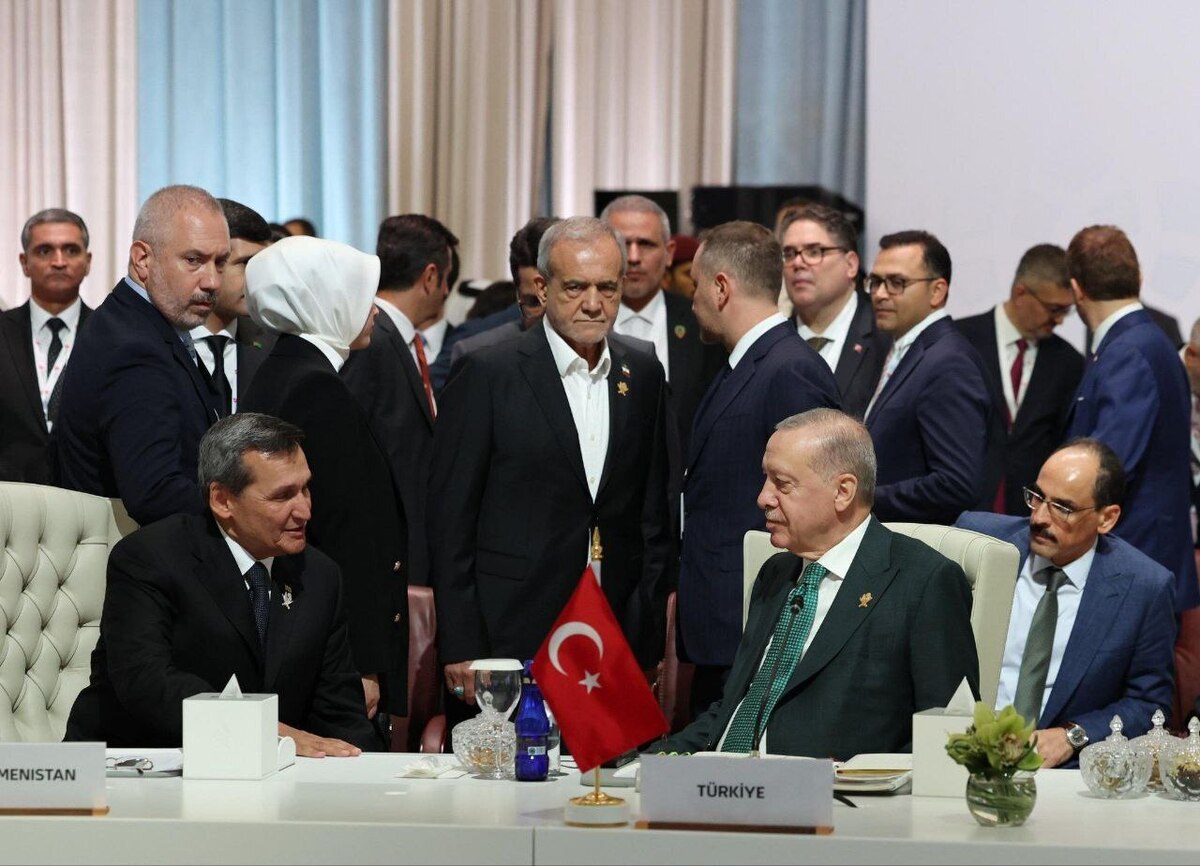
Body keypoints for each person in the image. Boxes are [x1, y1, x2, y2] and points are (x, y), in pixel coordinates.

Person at [428, 216, 671, 724]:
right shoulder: (488, 370)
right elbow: (452, 519)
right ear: (542, 287)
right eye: (576, 287)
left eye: (608, 288)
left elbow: (652, 515)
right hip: (511, 630)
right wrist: (463, 643)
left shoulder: (643, 371)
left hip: (612, 632)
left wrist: (646, 636)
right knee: (510, 774)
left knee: (611, 772)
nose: (594, 303)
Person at [654, 408, 978, 758]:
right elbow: (736, 705)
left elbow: (947, 738)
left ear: (843, 491)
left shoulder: (923, 583)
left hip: (831, 788)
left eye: (782, 484)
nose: (763, 498)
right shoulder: (775, 572)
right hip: (721, 780)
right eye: (766, 479)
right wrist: (652, 763)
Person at [65, 413, 376, 755]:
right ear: (223, 500)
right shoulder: (150, 558)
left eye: (305, 489)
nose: (304, 510)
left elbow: (340, 713)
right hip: (137, 763)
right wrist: (263, 731)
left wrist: (362, 767)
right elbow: (147, 682)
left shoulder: (318, 575)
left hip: (270, 773)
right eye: (282, 496)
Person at [241, 236, 408, 731]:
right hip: (333, 647)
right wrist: (364, 662)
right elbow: (343, 529)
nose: (373, 309)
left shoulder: (286, 368)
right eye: (360, 293)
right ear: (325, 298)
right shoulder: (313, 384)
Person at [678, 220, 842, 716]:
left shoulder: (790, 369)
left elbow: (819, 504)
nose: (692, 301)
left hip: (758, 621)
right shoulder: (743, 363)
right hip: (725, 619)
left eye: (695, 286)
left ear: (721, 287)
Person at [956, 439, 1176, 768]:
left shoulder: (1144, 587)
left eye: (1063, 508)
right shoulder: (978, 541)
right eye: (1037, 497)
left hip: (1059, 770)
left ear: (1107, 518)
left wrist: (1072, 736)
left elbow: (1149, 704)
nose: (1039, 518)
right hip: (958, 747)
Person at [55, 185, 227, 525]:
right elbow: (155, 491)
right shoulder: (134, 347)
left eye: (220, 262)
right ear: (142, 260)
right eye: (193, 260)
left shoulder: (134, 323)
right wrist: (248, 510)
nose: (212, 281)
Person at [1064, 225, 1198, 611]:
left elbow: (1106, 469)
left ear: (1076, 289)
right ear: (1138, 278)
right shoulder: (1147, 342)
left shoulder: (1128, 352)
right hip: (1142, 560)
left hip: (1129, 565)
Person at [342, 214, 458, 589]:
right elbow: (352, 448)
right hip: (381, 554)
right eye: (446, 279)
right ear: (430, 277)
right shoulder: (370, 339)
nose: (446, 291)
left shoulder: (393, 337)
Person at [863, 230, 998, 524]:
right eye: (875, 282)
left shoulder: (948, 362)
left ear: (937, 291)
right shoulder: (905, 348)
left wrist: (864, 498)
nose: (880, 294)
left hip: (921, 541)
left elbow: (955, 483)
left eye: (897, 283)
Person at [955, 244, 1084, 515]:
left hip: (1028, 514)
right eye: (1053, 309)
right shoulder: (959, 341)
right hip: (960, 507)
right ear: (1021, 293)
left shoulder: (1068, 362)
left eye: (1066, 311)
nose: (1059, 320)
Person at [601, 195, 726, 454]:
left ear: (669, 253)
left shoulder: (703, 323)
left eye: (646, 244)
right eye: (623, 244)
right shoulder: (582, 322)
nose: (633, 257)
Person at [0, 208, 94, 483]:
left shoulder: (113, 336)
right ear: (24, 262)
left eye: (71, 250)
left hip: (86, 497)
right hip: (8, 497)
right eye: (44, 251)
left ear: (88, 262)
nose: (59, 261)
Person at [778, 204, 890, 418]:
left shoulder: (886, 337)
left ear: (851, 265)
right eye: (789, 254)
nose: (798, 263)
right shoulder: (772, 344)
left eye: (814, 252)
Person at [189, 198, 276, 417]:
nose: (259, 279)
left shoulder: (275, 347)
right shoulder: (157, 342)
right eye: (247, 263)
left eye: (264, 267)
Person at [442, 217, 561, 371]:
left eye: (557, 298)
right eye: (534, 302)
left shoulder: (594, 347)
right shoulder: (478, 356)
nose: (548, 316)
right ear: (518, 296)